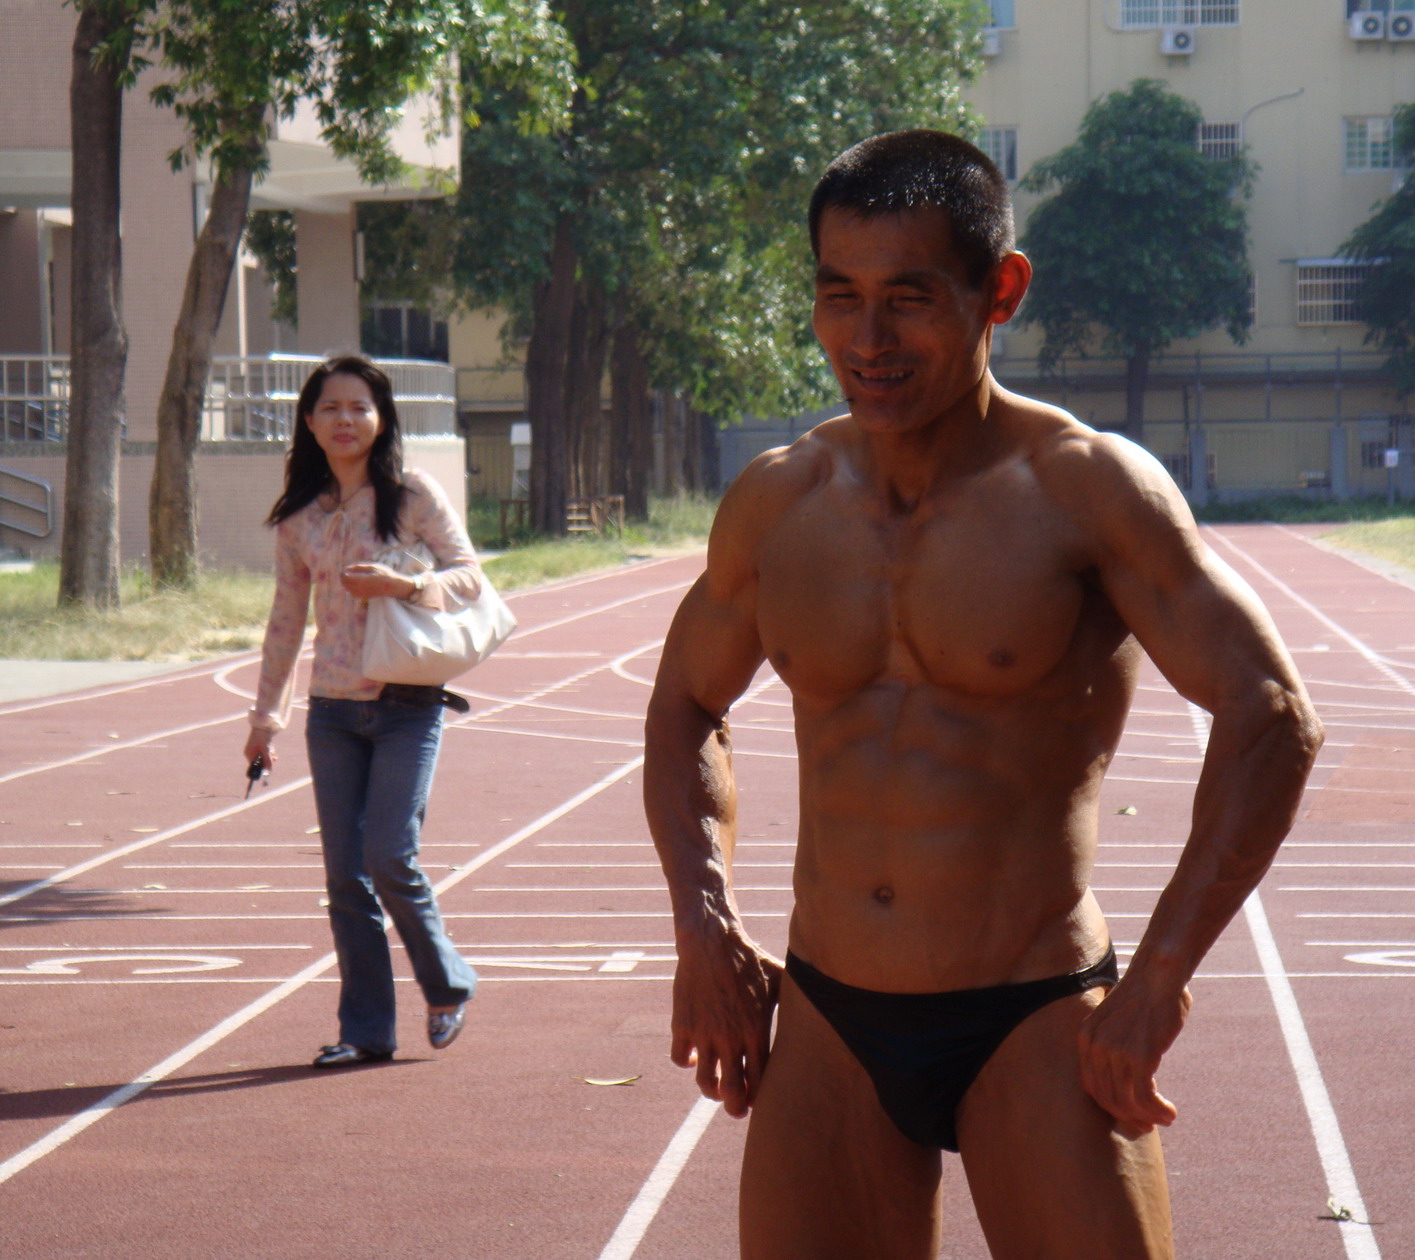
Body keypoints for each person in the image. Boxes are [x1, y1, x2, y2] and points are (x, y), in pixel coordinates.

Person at [643, 130, 1324, 1259]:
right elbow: (681, 708)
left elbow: (1273, 714)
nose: (868, 340)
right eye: (839, 296)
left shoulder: (1083, 489)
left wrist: (1160, 978)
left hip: (1034, 1012)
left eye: (908, 299)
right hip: (830, 1015)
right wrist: (705, 929)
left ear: (999, 290)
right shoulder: (780, 501)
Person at [245, 355, 479, 1069]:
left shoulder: (411, 495)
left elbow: (469, 578)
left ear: (381, 420)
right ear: (309, 422)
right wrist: (265, 719)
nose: (345, 420)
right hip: (333, 714)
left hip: (408, 704)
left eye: (359, 407)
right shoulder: (299, 519)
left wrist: (404, 585)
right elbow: (286, 622)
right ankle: (367, 1030)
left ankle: (447, 981)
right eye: (331, 408)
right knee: (345, 877)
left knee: (389, 856)